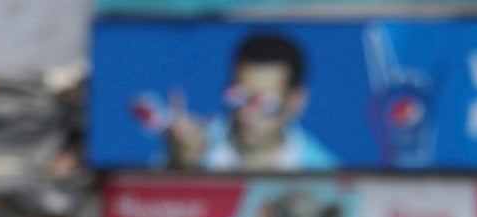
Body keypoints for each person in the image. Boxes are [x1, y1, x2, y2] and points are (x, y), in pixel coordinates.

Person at [141, 32, 338, 172]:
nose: (247, 114)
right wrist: (180, 168)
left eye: (264, 103)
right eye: (239, 96)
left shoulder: (327, 171)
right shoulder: (189, 150)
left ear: (296, 101)